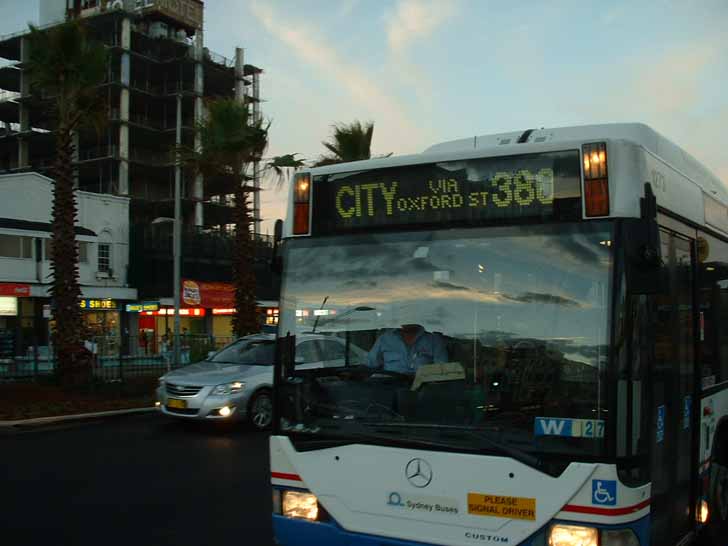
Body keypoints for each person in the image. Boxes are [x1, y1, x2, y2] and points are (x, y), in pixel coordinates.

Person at [367, 324, 448, 374]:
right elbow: (370, 365)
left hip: (425, 391)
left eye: (410, 312)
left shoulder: (433, 340)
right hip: (390, 389)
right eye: (403, 312)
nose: (407, 317)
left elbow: (442, 370)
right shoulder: (385, 339)